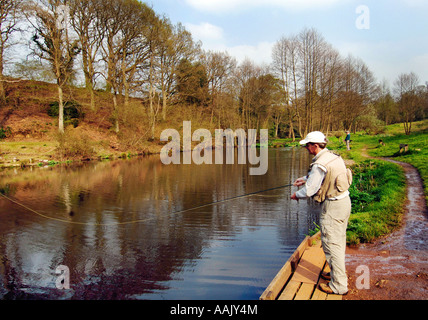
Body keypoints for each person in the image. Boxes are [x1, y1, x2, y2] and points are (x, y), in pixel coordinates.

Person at [291, 131, 352, 295]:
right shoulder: (332, 156)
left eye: (307, 145)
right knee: (338, 242)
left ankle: (339, 286)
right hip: (344, 203)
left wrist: (296, 194)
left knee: (332, 245)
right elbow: (322, 176)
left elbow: (310, 190)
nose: (306, 148)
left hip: (333, 207)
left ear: (315, 146)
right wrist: (304, 178)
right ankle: (336, 275)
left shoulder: (319, 164)